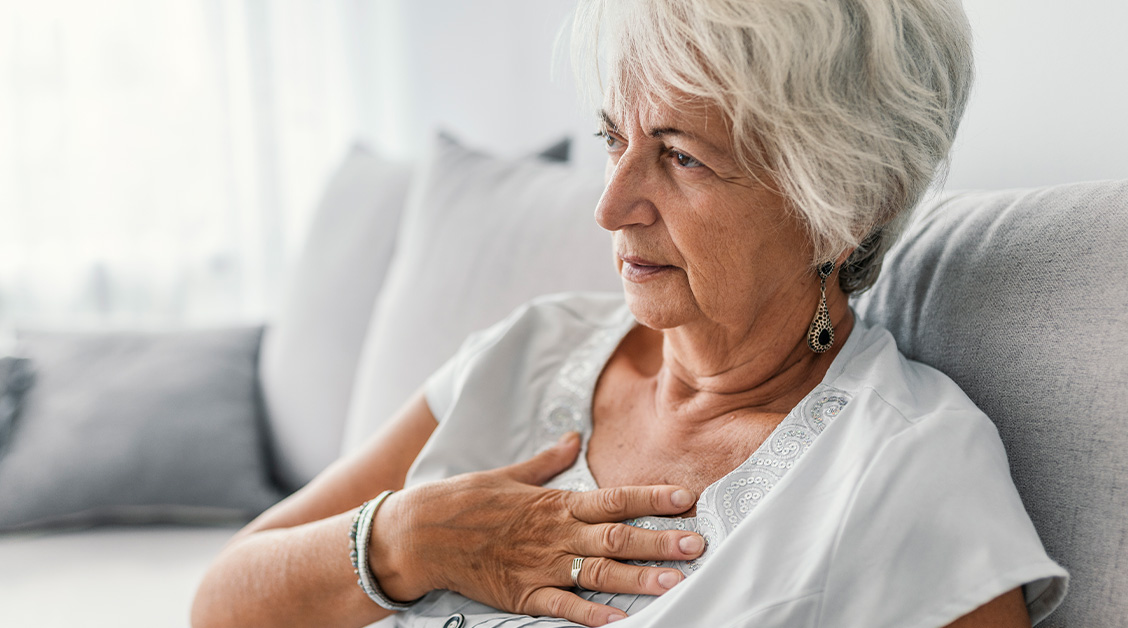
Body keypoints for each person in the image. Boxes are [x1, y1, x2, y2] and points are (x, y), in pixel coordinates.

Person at [192, 0, 1069, 626]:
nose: (610, 206)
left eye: (680, 157)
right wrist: (411, 537)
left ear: (844, 201)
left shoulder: (904, 466)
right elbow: (222, 602)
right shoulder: (531, 349)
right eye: (616, 139)